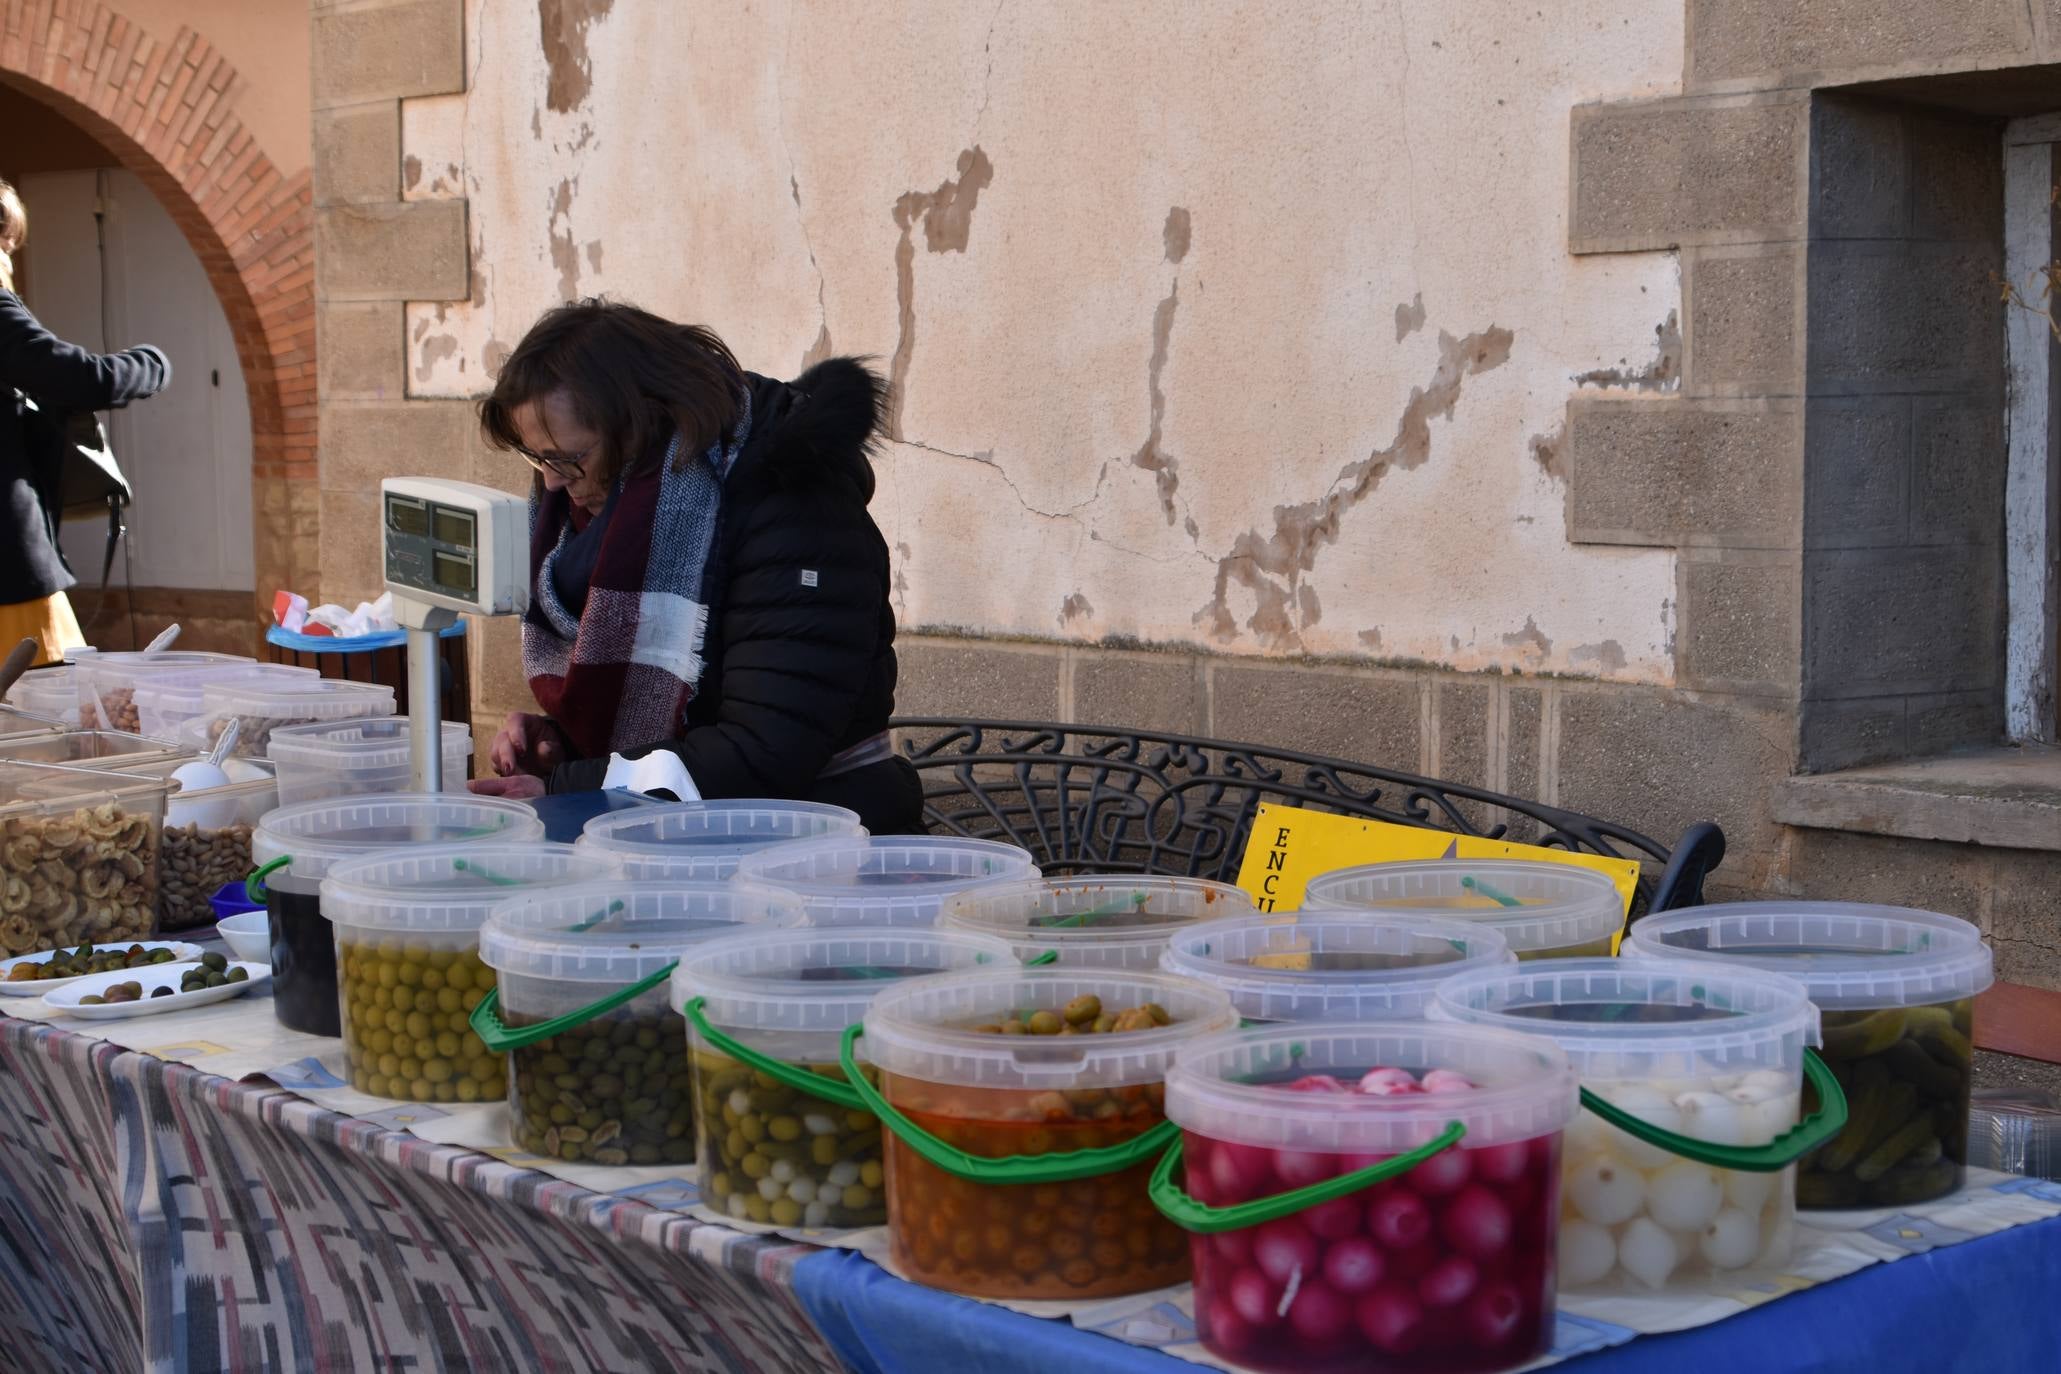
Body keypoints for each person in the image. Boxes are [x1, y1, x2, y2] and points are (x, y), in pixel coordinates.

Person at [468, 298, 923, 835]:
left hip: (818, 849)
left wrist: (569, 787)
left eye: (568, 460)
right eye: (537, 458)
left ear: (639, 425)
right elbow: (678, 711)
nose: (549, 482)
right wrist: (557, 747)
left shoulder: (794, 513)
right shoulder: (621, 513)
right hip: (701, 837)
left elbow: (765, 750)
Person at [0, 178, 170, 664]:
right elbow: (84, 379)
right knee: (40, 725)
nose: (9, 259)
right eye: (6, 243)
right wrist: (153, 363)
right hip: (9, 570)